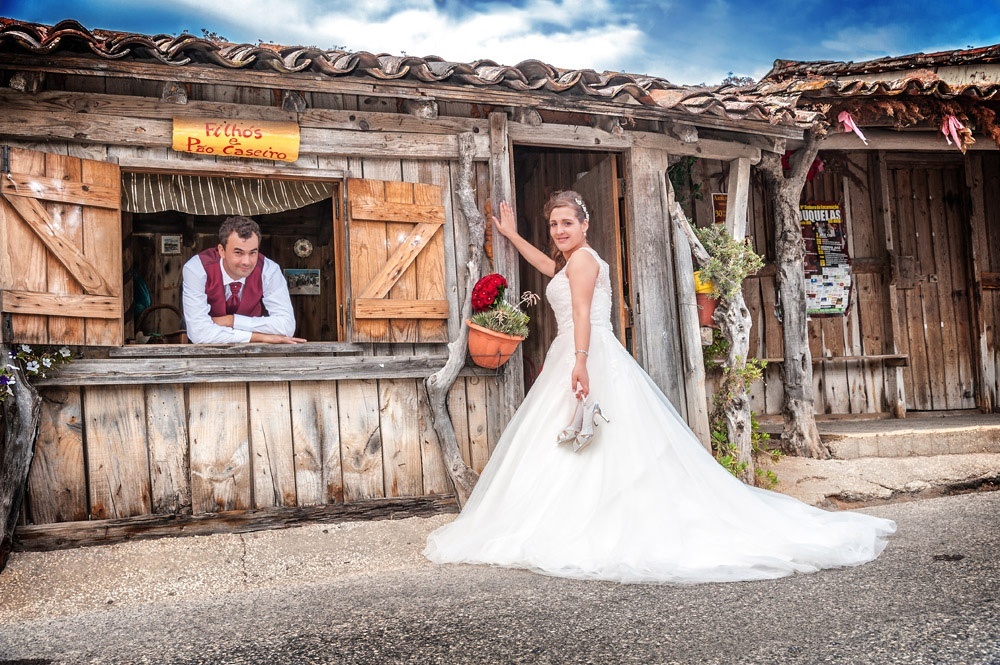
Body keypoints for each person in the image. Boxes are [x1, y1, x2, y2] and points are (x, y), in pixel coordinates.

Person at [424, 191, 896, 584]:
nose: (559, 231)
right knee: (580, 438)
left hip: (586, 351)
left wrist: (581, 361)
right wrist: (511, 236)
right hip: (577, 350)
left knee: (591, 438)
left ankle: (589, 521)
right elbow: (549, 270)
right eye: (553, 225)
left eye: (567, 223)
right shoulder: (571, 262)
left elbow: (583, 313)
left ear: (585, 225)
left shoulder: (583, 260)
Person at [182, 216, 306, 344]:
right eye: (238, 252)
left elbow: (286, 326)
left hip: (252, 352)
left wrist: (231, 321)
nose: (246, 262)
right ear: (222, 251)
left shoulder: (269, 270)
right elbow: (199, 333)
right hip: (201, 351)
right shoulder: (197, 268)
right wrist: (258, 337)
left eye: (252, 253)